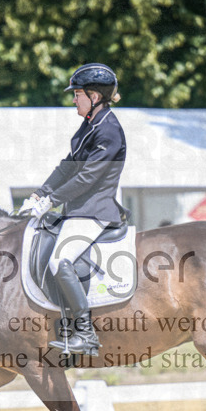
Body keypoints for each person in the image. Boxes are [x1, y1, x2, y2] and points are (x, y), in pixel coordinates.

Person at [18, 63, 127, 356]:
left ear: (94, 95)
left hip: (94, 210)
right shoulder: (90, 126)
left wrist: (50, 200)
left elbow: (87, 177)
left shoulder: (109, 130)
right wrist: (39, 193)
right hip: (77, 209)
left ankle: (85, 333)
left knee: (60, 260)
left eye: (77, 94)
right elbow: (67, 167)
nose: (73, 100)